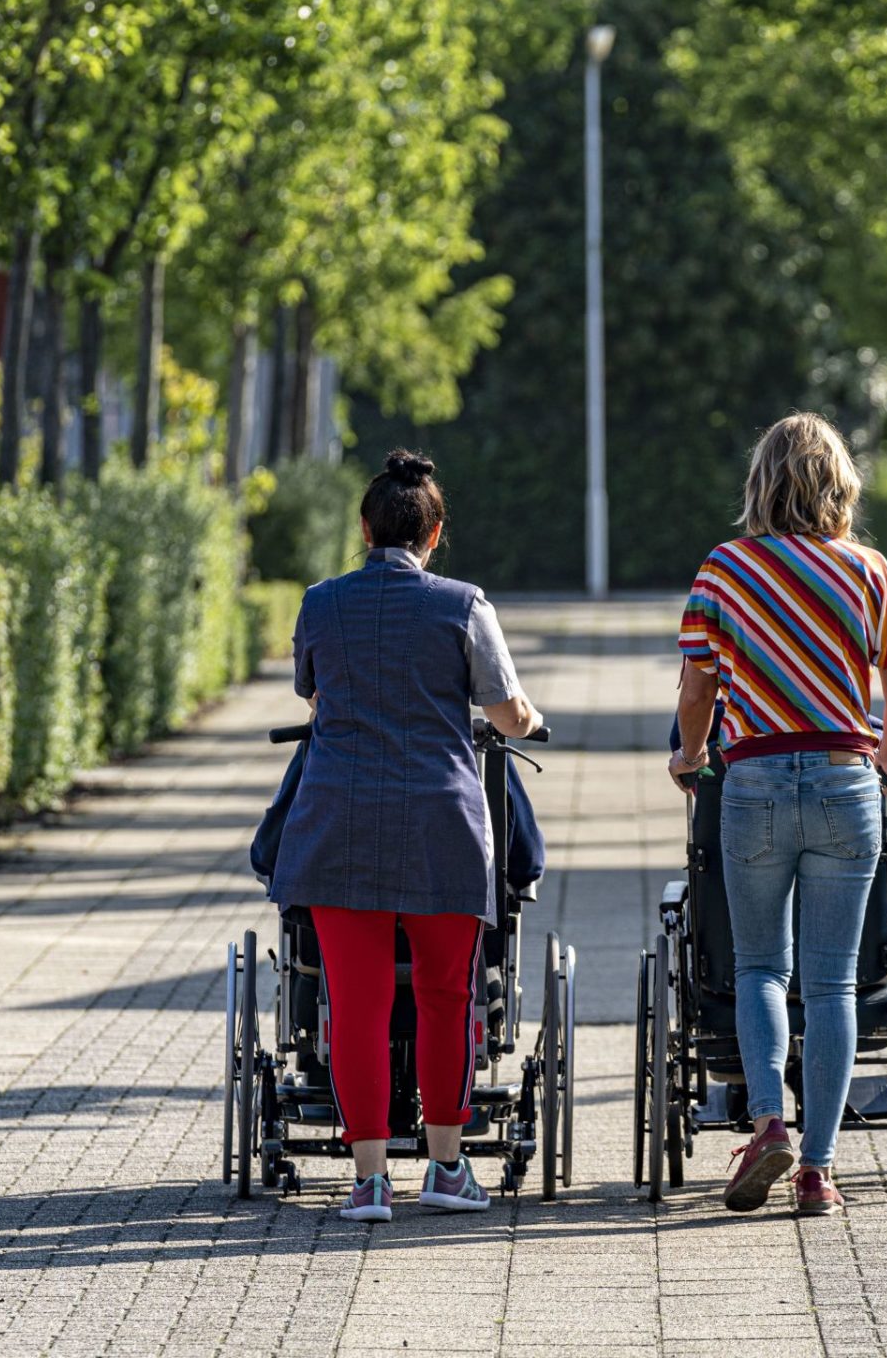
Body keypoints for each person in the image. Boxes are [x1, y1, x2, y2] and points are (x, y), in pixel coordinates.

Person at [267, 449, 542, 1223]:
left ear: (363, 528)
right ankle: (447, 1169)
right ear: (436, 532)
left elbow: (315, 693)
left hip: (338, 826)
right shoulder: (464, 606)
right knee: (446, 994)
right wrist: (529, 720)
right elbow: (507, 712)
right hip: (440, 825)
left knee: (353, 1002)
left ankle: (368, 1180)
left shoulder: (320, 603)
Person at [669, 413, 887, 1218]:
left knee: (759, 969)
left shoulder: (724, 571)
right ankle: (817, 1169)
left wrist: (689, 756)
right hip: (848, 780)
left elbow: (698, 692)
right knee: (834, 981)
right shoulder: (873, 572)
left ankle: (767, 1121)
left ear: (760, 484)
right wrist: (883, 762)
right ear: (840, 486)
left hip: (756, 783)